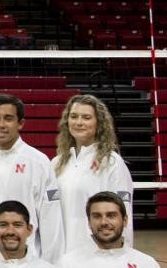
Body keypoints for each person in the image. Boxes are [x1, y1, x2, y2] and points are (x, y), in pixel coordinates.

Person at [0, 95, 60, 262]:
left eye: (8, 118)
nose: (1, 125)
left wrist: (51, 266)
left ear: (21, 123)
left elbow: (51, 220)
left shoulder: (39, 162)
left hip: (28, 262)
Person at [53, 94, 137, 250]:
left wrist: (123, 254)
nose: (79, 122)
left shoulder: (112, 162)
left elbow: (124, 215)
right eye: (74, 116)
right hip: (62, 254)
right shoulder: (57, 164)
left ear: (98, 124)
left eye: (86, 117)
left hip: (96, 252)